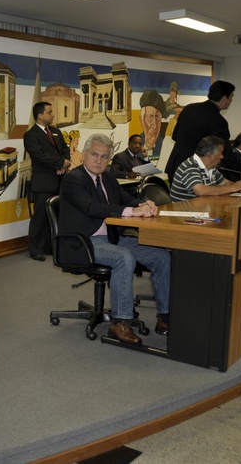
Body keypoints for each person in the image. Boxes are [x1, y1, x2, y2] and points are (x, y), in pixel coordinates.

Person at [59, 133, 170, 344]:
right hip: (84, 241)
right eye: (94, 155)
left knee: (161, 256)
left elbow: (125, 199)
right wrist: (130, 211)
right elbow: (92, 207)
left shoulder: (108, 177)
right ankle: (120, 323)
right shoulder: (73, 179)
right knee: (124, 257)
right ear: (83, 154)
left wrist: (143, 205)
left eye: (104, 157)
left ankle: (165, 318)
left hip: (111, 238)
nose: (99, 161)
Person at [23, 102, 71, 261]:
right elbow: (38, 155)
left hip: (60, 179)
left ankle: (51, 246)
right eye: (49, 112)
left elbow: (65, 149)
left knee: (57, 215)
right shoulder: (31, 135)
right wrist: (59, 164)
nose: (53, 115)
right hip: (43, 182)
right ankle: (36, 249)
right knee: (40, 217)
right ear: (40, 115)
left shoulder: (56, 131)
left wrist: (64, 163)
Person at [164, 80, 235, 180]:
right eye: (231, 97)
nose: (231, 101)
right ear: (224, 98)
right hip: (195, 172)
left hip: (176, 166)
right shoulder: (218, 121)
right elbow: (226, 152)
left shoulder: (189, 108)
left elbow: (175, 136)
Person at [170, 136, 241, 202]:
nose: (222, 156)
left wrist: (239, 186)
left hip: (201, 211)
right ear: (210, 155)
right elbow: (200, 191)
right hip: (184, 214)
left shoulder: (211, 168)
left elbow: (226, 183)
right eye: (220, 153)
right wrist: (232, 188)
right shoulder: (190, 166)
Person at [138, 89, 168, 158]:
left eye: (157, 117)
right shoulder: (135, 145)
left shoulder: (165, 146)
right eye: (150, 117)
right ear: (141, 120)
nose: (154, 125)